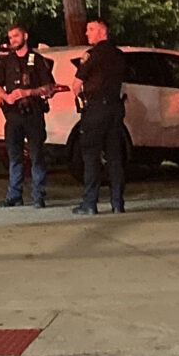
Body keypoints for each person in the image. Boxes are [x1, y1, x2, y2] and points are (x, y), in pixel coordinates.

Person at [0, 24, 55, 209]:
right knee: (14, 157)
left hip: (33, 114)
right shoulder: (6, 61)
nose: (12, 40)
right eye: (10, 37)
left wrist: (27, 92)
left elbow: (49, 87)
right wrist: (6, 97)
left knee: (36, 155)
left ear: (25, 36)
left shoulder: (37, 60)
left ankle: (38, 196)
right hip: (13, 116)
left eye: (16, 36)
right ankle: (14, 196)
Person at [70, 18, 127, 215]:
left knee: (91, 157)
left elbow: (76, 84)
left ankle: (90, 203)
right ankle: (117, 203)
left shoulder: (92, 55)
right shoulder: (119, 55)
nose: (87, 33)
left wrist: (81, 98)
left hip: (95, 111)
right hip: (115, 109)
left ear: (103, 31)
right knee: (115, 157)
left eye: (91, 29)